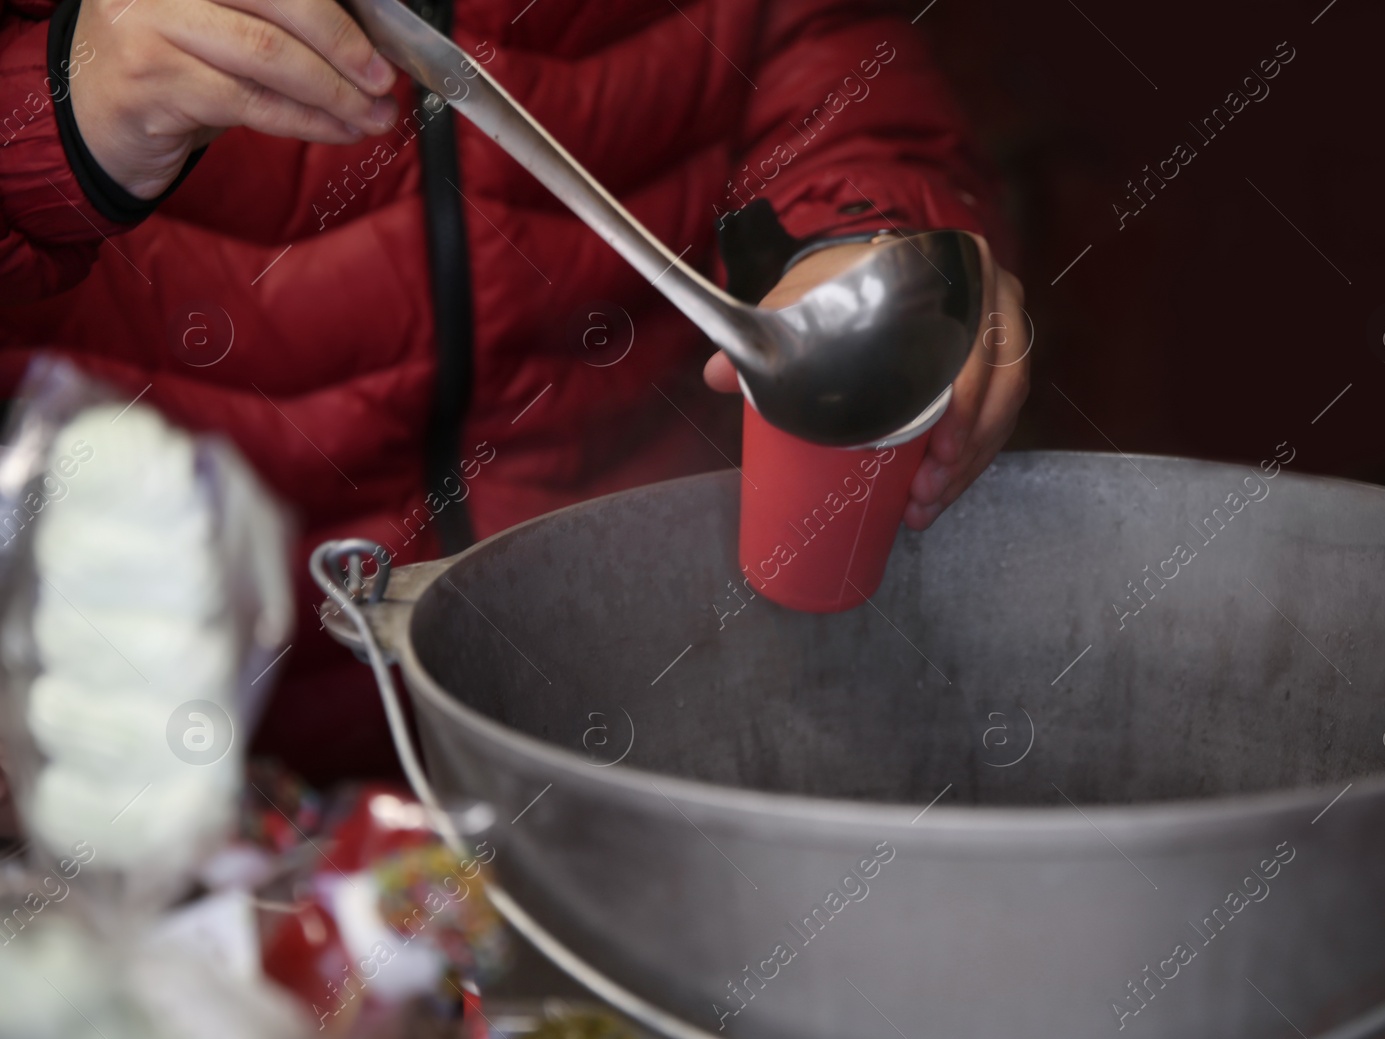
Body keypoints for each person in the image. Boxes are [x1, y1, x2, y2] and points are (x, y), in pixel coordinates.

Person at [0, 0, 1028, 783]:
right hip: (142, 771)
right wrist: (54, 119)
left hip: (624, 724)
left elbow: (819, 56)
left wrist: (861, 231)